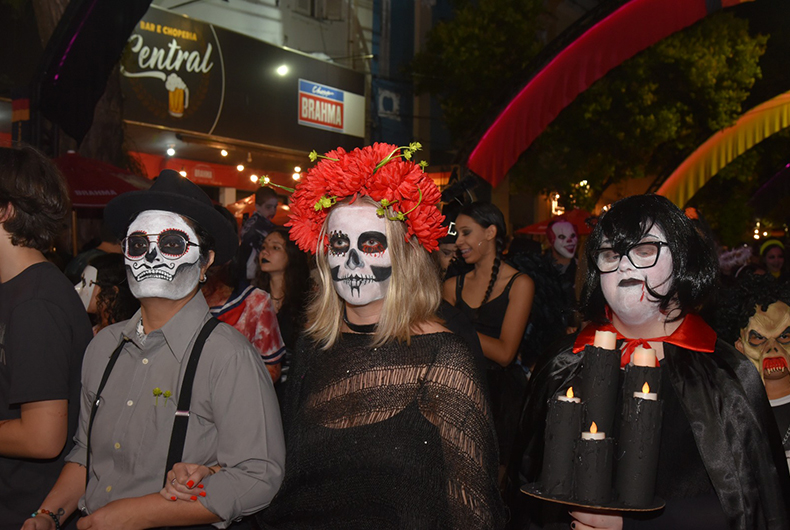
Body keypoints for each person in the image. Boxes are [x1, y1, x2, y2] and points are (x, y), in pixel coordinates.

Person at [246, 143, 504, 528]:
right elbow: (290, 476)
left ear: (403, 254)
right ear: (324, 254)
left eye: (371, 244)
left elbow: (475, 512)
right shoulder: (313, 345)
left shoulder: (443, 358)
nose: (352, 262)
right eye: (340, 244)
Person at [23, 169, 285, 530]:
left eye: (172, 244)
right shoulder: (103, 347)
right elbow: (85, 456)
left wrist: (140, 513)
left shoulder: (227, 357)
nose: (150, 258)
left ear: (206, 261)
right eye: (138, 244)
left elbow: (259, 475)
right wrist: (48, 516)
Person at [517, 194, 790, 530]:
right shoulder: (564, 363)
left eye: (644, 250)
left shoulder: (725, 375)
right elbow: (528, 490)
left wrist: (629, 525)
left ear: (683, 259)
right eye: (610, 254)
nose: (624, 265)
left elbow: (753, 506)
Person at [0, 145, 93, 529]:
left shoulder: (36, 303)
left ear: (5, 210)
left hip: (28, 512)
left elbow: (43, 437)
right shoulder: (20, 290)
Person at [442, 201, 534, 486]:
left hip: (500, 401)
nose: (459, 241)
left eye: (466, 232)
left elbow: (505, 353)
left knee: (491, 490)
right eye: (457, 234)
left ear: (491, 232)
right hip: (458, 390)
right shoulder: (452, 286)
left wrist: (456, 326)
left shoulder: (520, 284)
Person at [254, 227, 311, 384]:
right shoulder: (254, 299)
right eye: (264, 247)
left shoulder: (305, 302)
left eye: (275, 247)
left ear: (291, 256)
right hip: (261, 383)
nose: (265, 252)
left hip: (294, 384)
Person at [75, 253, 140, 334]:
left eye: (85, 283)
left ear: (111, 292)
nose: (77, 288)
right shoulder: (89, 329)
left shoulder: (125, 335)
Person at [239, 186, 279, 282]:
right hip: (254, 273)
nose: (273, 211)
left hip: (247, 272)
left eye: (275, 207)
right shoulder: (261, 226)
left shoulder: (251, 222)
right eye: (268, 207)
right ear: (257, 206)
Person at [546, 219, 579, 308]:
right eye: (561, 237)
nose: (569, 241)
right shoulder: (539, 270)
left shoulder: (583, 270)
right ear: (550, 241)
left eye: (572, 236)